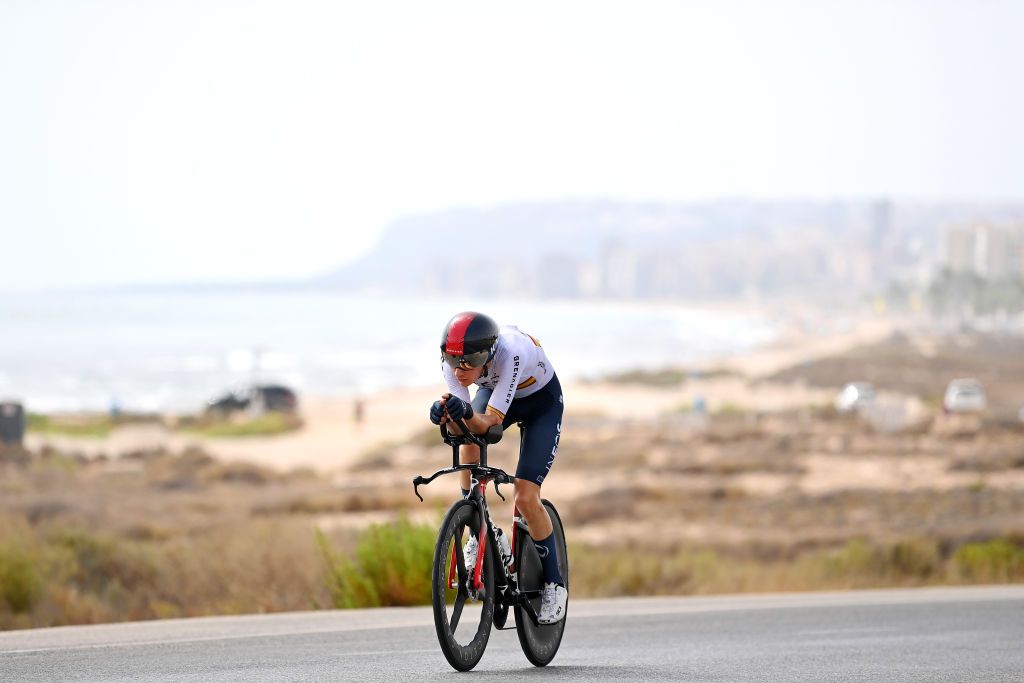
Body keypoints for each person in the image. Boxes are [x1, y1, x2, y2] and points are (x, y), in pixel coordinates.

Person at [429, 311, 567, 624]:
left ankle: (554, 584)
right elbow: (462, 428)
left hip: (540, 405)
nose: (460, 371)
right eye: (452, 361)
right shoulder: (453, 365)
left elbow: (489, 424)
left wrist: (462, 413)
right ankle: (478, 528)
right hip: (498, 396)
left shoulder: (512, 353)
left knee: (526, 498)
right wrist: (444, 416)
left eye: (468, 362)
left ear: (487, 354)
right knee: (465, 441)